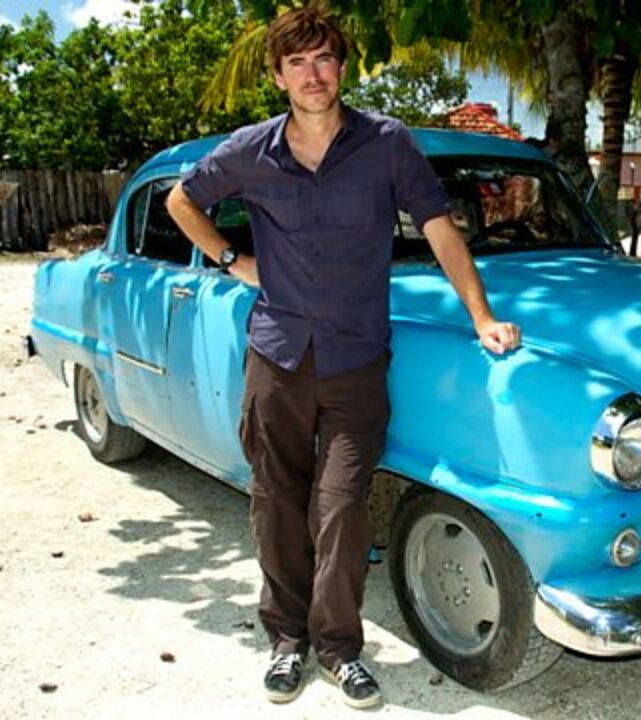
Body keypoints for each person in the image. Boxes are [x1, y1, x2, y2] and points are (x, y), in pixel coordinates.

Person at [165, 7, 521, 709]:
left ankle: (338, 648)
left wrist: (481, 316)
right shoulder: (250, 150)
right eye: (297, 63)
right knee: (277, 503)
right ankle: (286, 641)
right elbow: (183, 200)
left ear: (342, 67)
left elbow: (439, 228)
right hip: (277, 357)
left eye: (324, 59)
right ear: (278, 76)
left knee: (342, 508)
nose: (313, 74)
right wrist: (234, 261)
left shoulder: (386, 144)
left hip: (356, 358)